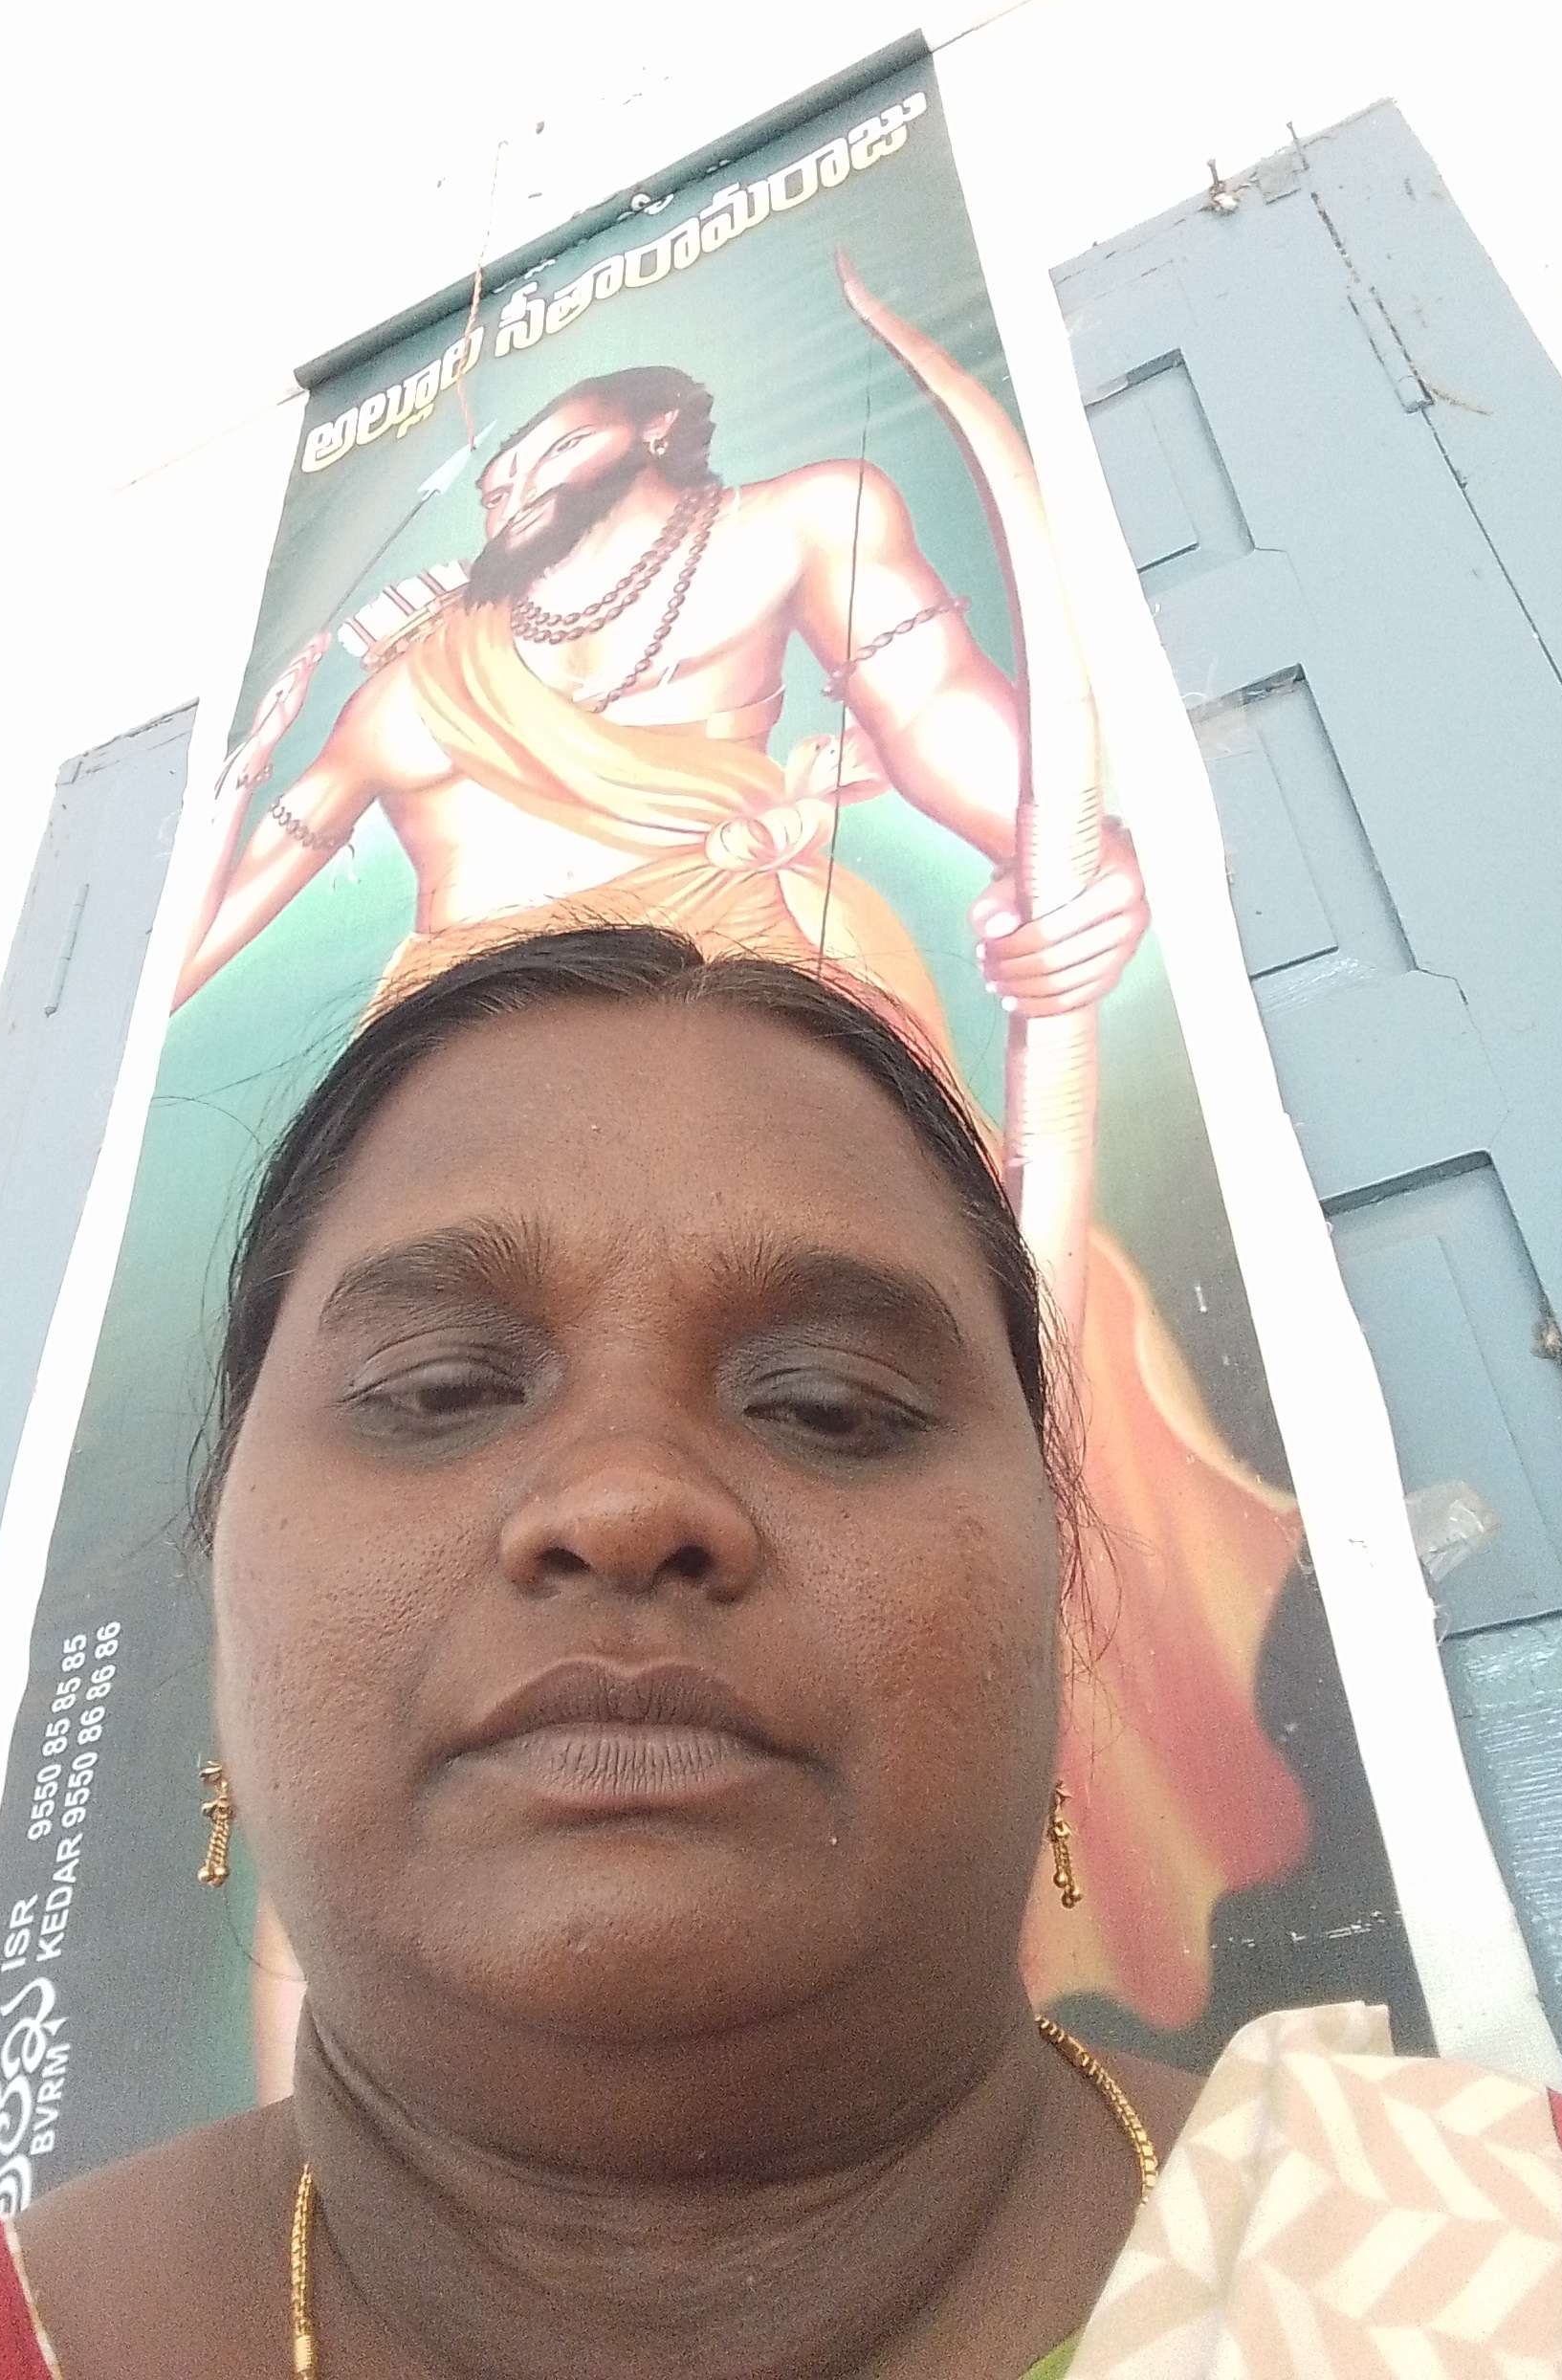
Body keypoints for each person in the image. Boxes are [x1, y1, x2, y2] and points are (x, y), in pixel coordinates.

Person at [0, 926, 1562, 2377]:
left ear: (1059, 1591)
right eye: (440, 1389)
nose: (623, 1500)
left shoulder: (1508, 2266)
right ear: (226, 1573)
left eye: (831, 1403)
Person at [173, 353, 1308, 2036]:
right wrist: (228, 792)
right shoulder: (421, 682)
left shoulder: (796, 524)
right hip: (453, 1081)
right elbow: (208, 926)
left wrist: (1083, 873)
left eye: (552, 436)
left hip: (771, 1027)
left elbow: (948, 720)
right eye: (437, 1392)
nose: (620, 1508)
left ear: (656, 427)